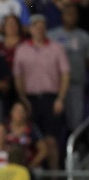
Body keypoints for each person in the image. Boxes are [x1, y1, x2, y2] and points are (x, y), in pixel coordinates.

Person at [13, 14, 70, 170]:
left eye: (42, 26)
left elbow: (65, 74)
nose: (39, 29)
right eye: (35, 26)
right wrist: (23, 98)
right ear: (30, 29)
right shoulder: (22, 49)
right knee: (31, 140)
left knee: (51, 140)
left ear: (45, 28)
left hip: (51, 98)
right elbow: (18, 76)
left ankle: (53, 178)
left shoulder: (57, 48)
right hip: (30, 100)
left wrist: (60, 98)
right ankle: (30, 175)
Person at [48, 4, 89, 134]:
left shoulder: (84, 37)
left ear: (77, 17)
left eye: (73, 14)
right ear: (62, 16)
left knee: (75, 121)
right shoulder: (51, 35)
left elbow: (87, 61)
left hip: (76, 83)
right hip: (54, 86)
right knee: (54, 122)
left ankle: (75, 148)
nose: (70, 17)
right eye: (67, 14)